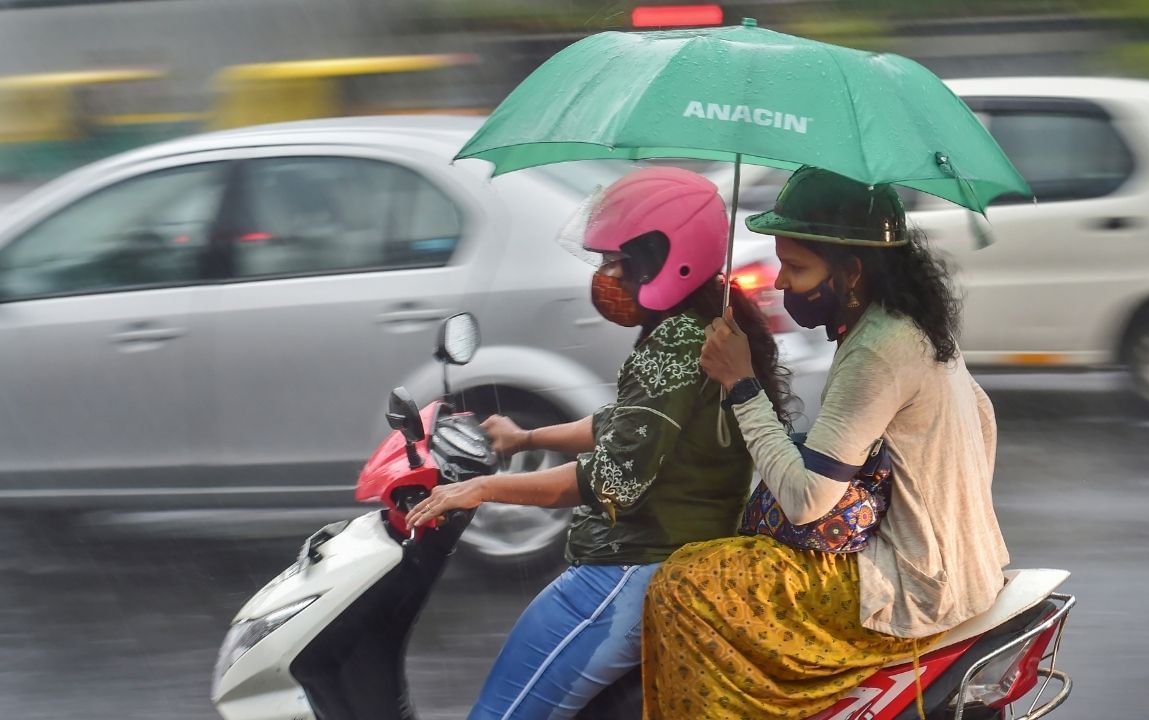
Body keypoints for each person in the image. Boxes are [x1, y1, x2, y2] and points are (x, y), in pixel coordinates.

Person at [405, 166, 792, 720]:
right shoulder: (700, 327)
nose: (607, 275)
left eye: (621, 261)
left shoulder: (677, 345)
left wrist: (483, 488)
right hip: (663, 562)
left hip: (631, 569)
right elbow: (628, 422)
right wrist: (525, 437)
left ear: (668, 259)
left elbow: (611, 480)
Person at [641, 167, 1009, 719]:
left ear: (852, 270)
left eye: (796, 267)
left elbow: (808, 500)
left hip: (913, 590)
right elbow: (984, 420)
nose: (781, 283)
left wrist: (741, 385)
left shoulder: (877, 350)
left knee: (683, 586)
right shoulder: (915, 327)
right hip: (969, 565)